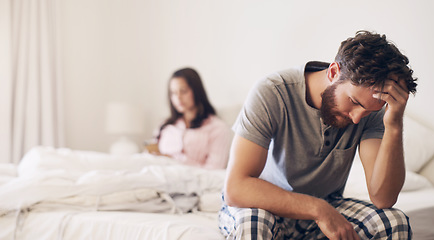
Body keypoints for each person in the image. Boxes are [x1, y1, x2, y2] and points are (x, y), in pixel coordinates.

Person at [219, 30, 418, 239]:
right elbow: (236, 188)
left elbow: (383, 198)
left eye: (369, 111)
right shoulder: (272, 92)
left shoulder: (370, 111)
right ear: (333, 72)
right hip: (263, 206)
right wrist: (319, 210)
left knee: (394, 223)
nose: (358, 118)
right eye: (354, 102)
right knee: (254, 224)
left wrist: (394, 124)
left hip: (325, 208)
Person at [146, 67, 231, 169]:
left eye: (183, 91)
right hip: (155, 171)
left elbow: (214, 170)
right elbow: (149, 156)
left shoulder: (218, 128)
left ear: (196, 91)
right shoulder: (165, 125)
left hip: (186, 179)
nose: (178, 97)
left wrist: (173, 160)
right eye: (173, 93)